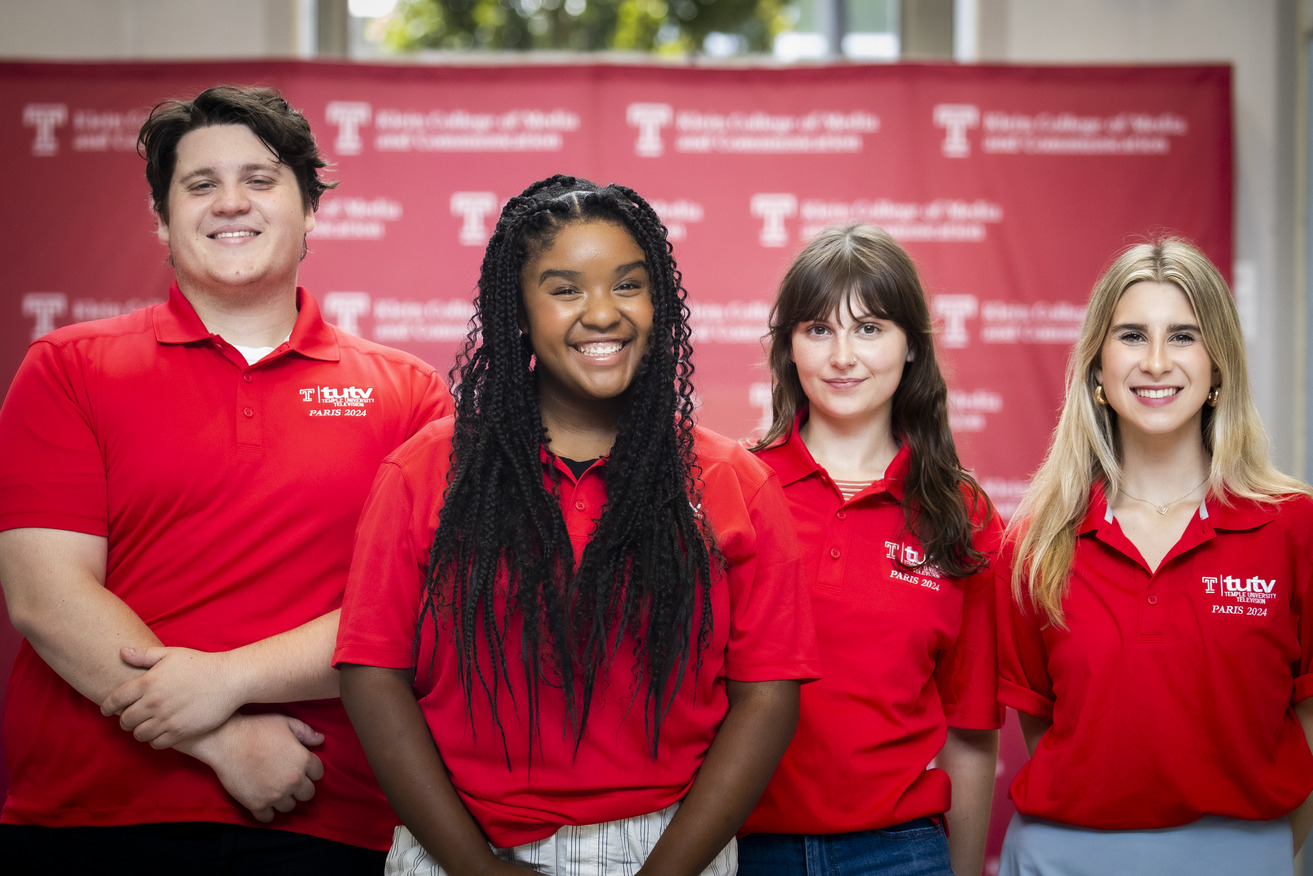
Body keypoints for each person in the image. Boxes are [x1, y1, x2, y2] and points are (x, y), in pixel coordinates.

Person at [0, 85, 452, 873]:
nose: (230, 202)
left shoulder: (410, 393)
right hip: (90, 814)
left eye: (261, 179)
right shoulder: (68, 367)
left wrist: (230, 677)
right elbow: (46, 594)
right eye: (200, 184)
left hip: (325, 811)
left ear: (311, 209)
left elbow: (413, 608)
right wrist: (219, 735)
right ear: (162, 218)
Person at [334, 173, 820, 876]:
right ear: (518, 313)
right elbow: (373, 677)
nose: (602, 313)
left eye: (627, 285)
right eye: (564, 290)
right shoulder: (425, 471)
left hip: (669, 844)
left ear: (659, 304)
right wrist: (477, 869)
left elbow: (767, 697)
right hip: (459, 844)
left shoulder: (729, 480)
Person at [997, 238, 1313, 875]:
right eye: (1133, 336)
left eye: (1185, 336)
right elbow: (1051, 732)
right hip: (1062, 856)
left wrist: (1265, 847)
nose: (1158, 362)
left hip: (1242, 852)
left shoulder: (1294, 527)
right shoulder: (1037, 541)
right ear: (1098, 368)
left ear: (1219, 366)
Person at [738, 224, 1001, 876]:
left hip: (899, 853)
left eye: (869, 328)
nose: (842, 356)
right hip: (738, 848)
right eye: (818, 330)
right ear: (788, 348)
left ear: (912, 346)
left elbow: (971, 736)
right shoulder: (732, 489)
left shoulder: (960, 514)